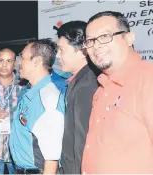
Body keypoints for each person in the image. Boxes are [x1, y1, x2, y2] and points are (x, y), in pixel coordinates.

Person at [82, 11, 153, 174]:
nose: (96, 46)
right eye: (90, 41)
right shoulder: (101, 89)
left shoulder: (148, 79)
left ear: (129, 38)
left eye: (105, 36)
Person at [10, 39, 65, 174]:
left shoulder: (48, 100)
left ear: (36, 61)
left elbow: (51, 160)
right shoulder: (30, 92)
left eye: (22, 57)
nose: (18, 63)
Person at [56, 21, 99, 174]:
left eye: (61, 50)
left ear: (82, 51)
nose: (57, 55)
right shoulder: (80, 80)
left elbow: (83, 143)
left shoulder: (86, 87)